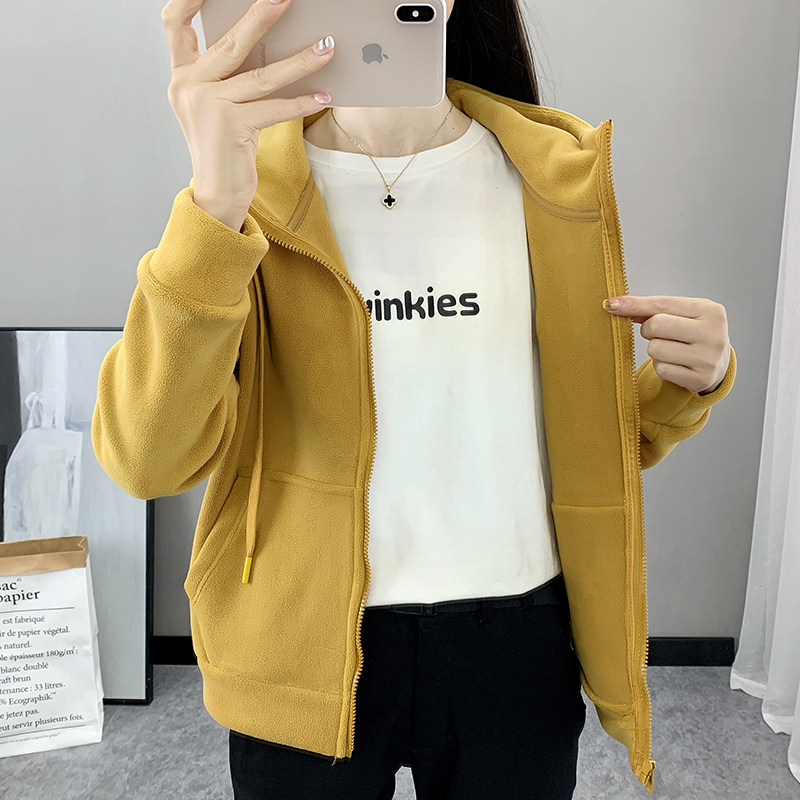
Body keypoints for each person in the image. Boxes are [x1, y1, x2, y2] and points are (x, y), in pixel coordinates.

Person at [92, 0, 737, 797]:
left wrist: (686, 382)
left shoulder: (550, 177)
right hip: (302, 635)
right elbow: (146, 458)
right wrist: (213, 206)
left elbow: (573, 450)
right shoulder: (248, 193)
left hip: (515, 639)